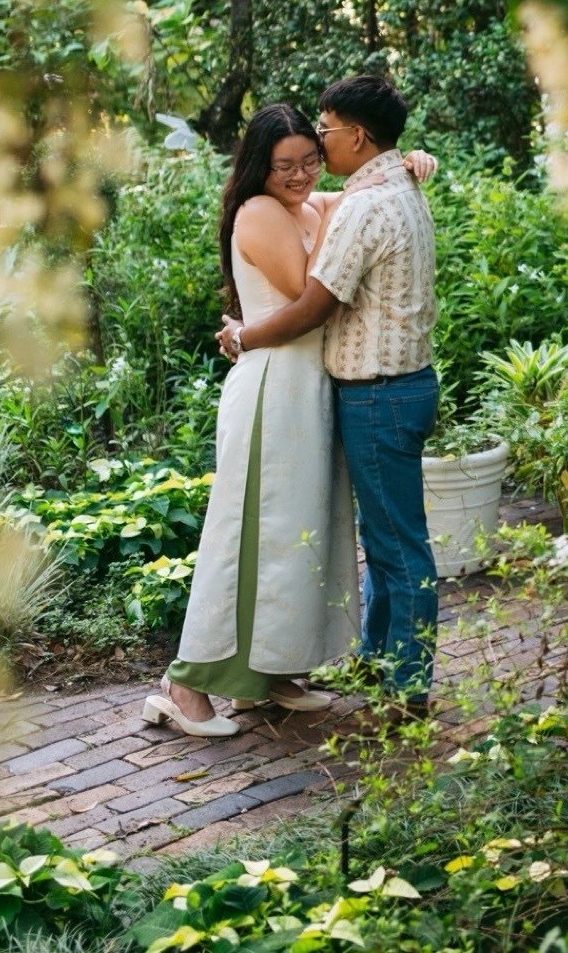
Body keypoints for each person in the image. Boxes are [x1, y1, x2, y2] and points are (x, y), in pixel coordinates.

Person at [143, 103, 435, 738]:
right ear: (259, 166)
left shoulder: (309, 205)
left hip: (311, 388)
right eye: (285, 166)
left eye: (310, 159)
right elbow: (311, 290)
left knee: (294, 537)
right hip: (272, 386)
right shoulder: (258, 212)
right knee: (246, 533)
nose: (302, 175)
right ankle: (184, 685)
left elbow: (355, 194)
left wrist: (405, 165)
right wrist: (246, 334)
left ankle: (264, 678)